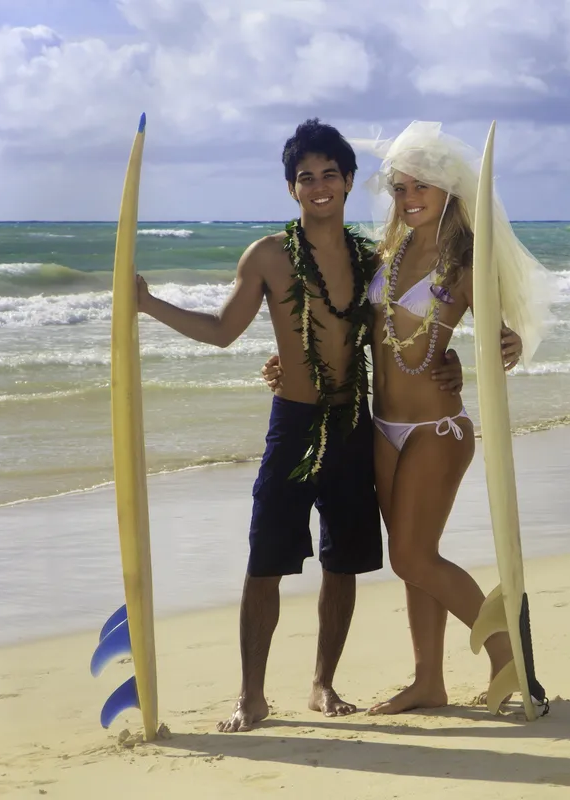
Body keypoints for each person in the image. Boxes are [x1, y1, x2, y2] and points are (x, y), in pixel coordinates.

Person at [134, 118, 468, 731]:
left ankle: (323, 684)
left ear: (346, 183)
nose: (318, 186)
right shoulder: (266, 255)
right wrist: (148, 304)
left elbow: (408, 328)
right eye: (305, 177)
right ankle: (250, 696)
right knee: (266, 560)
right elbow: (220, 330)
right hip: (292, 427)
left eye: (329, 175)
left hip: (352, 426)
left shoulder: (376, 260)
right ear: (292, 188)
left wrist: (452, 360)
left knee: (341, 563)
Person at [263, 121, 554, 714]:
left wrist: (509, 346)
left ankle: (511, 664)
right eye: (399, 188)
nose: (409, 197)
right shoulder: (385, 254)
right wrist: (289, 356)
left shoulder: (467, 259)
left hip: (437, 430)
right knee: (415, 559)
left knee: (411, 557)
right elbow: (344, 321)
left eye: (422, 186)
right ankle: (429, 681)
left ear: (449, 191)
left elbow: (506, 325)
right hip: (383, 427)